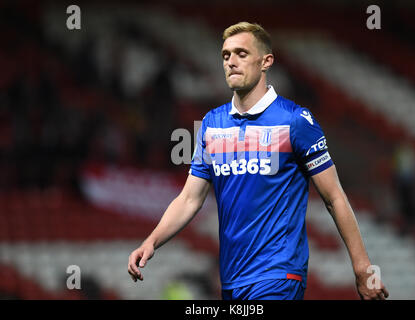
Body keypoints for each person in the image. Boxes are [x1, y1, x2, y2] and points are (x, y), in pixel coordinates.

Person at [128, 22, 389, 300]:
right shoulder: (212, 124)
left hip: (279, 274)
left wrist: (362, 267)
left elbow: (334, 196)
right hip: (231, 279)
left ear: (266, 61)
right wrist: (152, 241)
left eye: (241, 53)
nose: (231, 62)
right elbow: (190, 199)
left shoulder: (295, 121)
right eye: (226, 55)